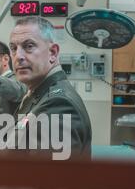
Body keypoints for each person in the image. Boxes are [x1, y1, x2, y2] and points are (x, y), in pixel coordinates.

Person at [8, 16, 92, 157]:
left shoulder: (58, 105)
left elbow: (46, 177)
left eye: (29, 46)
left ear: (52, 53)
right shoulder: (38, 93)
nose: (18, 56)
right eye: (13, 48)